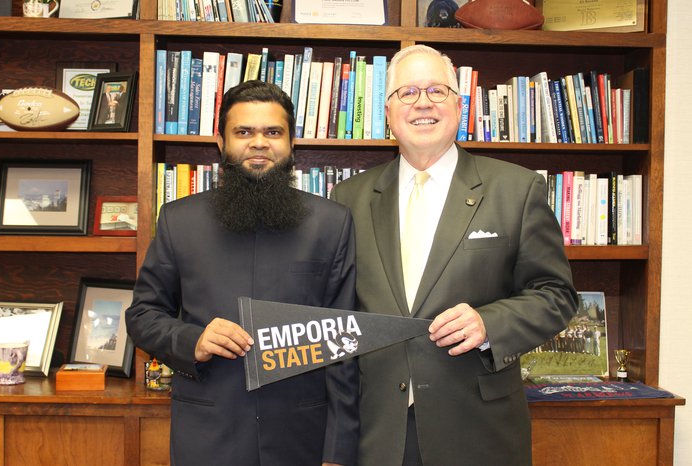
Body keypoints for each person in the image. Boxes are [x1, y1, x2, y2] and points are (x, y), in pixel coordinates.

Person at [330, 45, 578, 465]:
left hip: (478, 430)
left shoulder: (516, 190)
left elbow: (556, 295)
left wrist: (490, 322)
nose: (422, 102)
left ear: (459, 107)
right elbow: (338, 313)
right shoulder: (349, 198)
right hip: (377, 431)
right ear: (388, 113)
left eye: (437, 91)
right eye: (407, 93)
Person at [126, 80, 359, 466]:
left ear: (290, 143)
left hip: (304, 436)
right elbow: (142, 316)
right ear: (222, 144)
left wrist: (339, 449)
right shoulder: (178, 220)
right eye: (244, 132)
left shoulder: (331, 223)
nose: (259, 143)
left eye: (272, 132)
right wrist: (193, 340)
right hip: (208, 433)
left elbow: (345, 343)